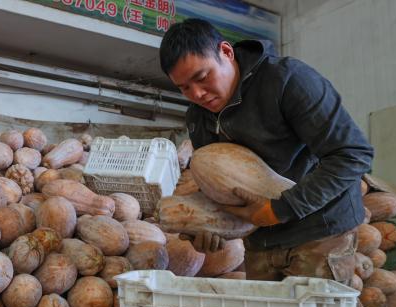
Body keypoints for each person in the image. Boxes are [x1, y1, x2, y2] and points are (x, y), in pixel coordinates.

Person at [159, 18, 374, 284]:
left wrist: (280, 209)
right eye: (184, 88)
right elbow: (219, 186)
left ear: (226, 52)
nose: (198, 94)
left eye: (202, 77)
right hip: (261, 239)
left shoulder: (288, 80)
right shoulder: (197, 116)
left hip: (320, 229)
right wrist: (206, 226)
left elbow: (353, 154)